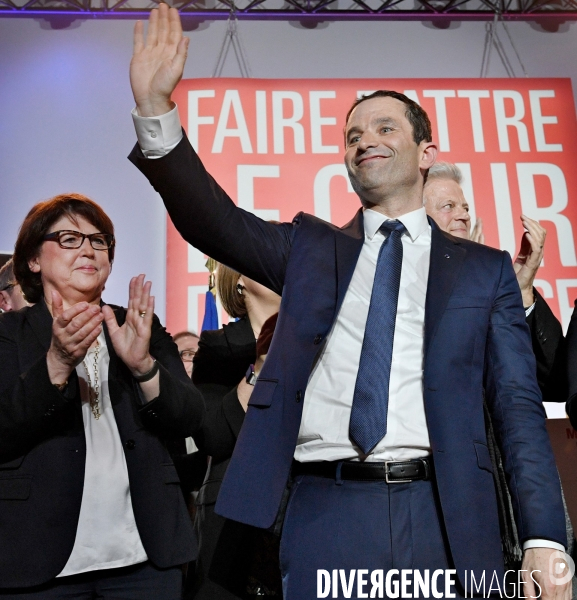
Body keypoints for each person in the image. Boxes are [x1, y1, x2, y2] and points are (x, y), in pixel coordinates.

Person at [128, 7, 568, 598]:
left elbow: (517, 409)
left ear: (426, 150)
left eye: (385, 128)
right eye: (353, 136)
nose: (365, 142)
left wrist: (546, 539)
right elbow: (216, 223)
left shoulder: (482, 271)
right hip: (322, 512)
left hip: (443, 512)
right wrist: (156, 112)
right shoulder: (310, 248)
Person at [0, 193, 204, 599]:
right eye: (70, 239)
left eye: (100, 240)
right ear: (34, 260)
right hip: (36, 561)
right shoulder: (10, 334)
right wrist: (56, 363)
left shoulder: (138, 326)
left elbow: (191, 417)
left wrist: (144, 366)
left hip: (144, 559)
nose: (90, 249)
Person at [423, 162, 565, 395]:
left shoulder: (492, 283)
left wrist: (521, 291)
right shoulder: (395, 280)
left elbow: (553, 381)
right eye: (449, 206)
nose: (464, 215)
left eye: (465, 207)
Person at [192, 263, 281, 599]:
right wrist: (261, 367)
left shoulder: (321, 336)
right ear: (240, 282)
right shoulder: (218, 348)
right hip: (234, 515)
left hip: (307, 504)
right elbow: (214, 435)